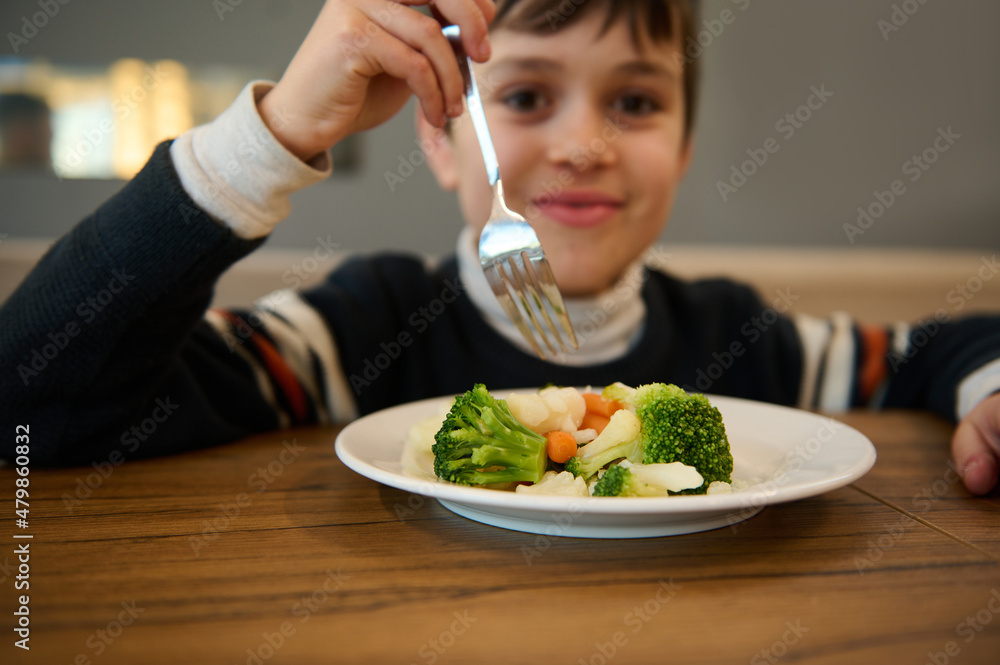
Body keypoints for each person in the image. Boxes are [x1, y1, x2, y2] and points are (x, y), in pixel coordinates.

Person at [1, 0, 998, 495]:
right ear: (438, 139)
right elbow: (35, 400)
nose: (582, 144)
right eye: (523, 97)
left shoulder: (745, 337)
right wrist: (277, 134)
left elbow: (935, 352)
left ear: (684, 147)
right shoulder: (354, 331)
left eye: (636, 101)